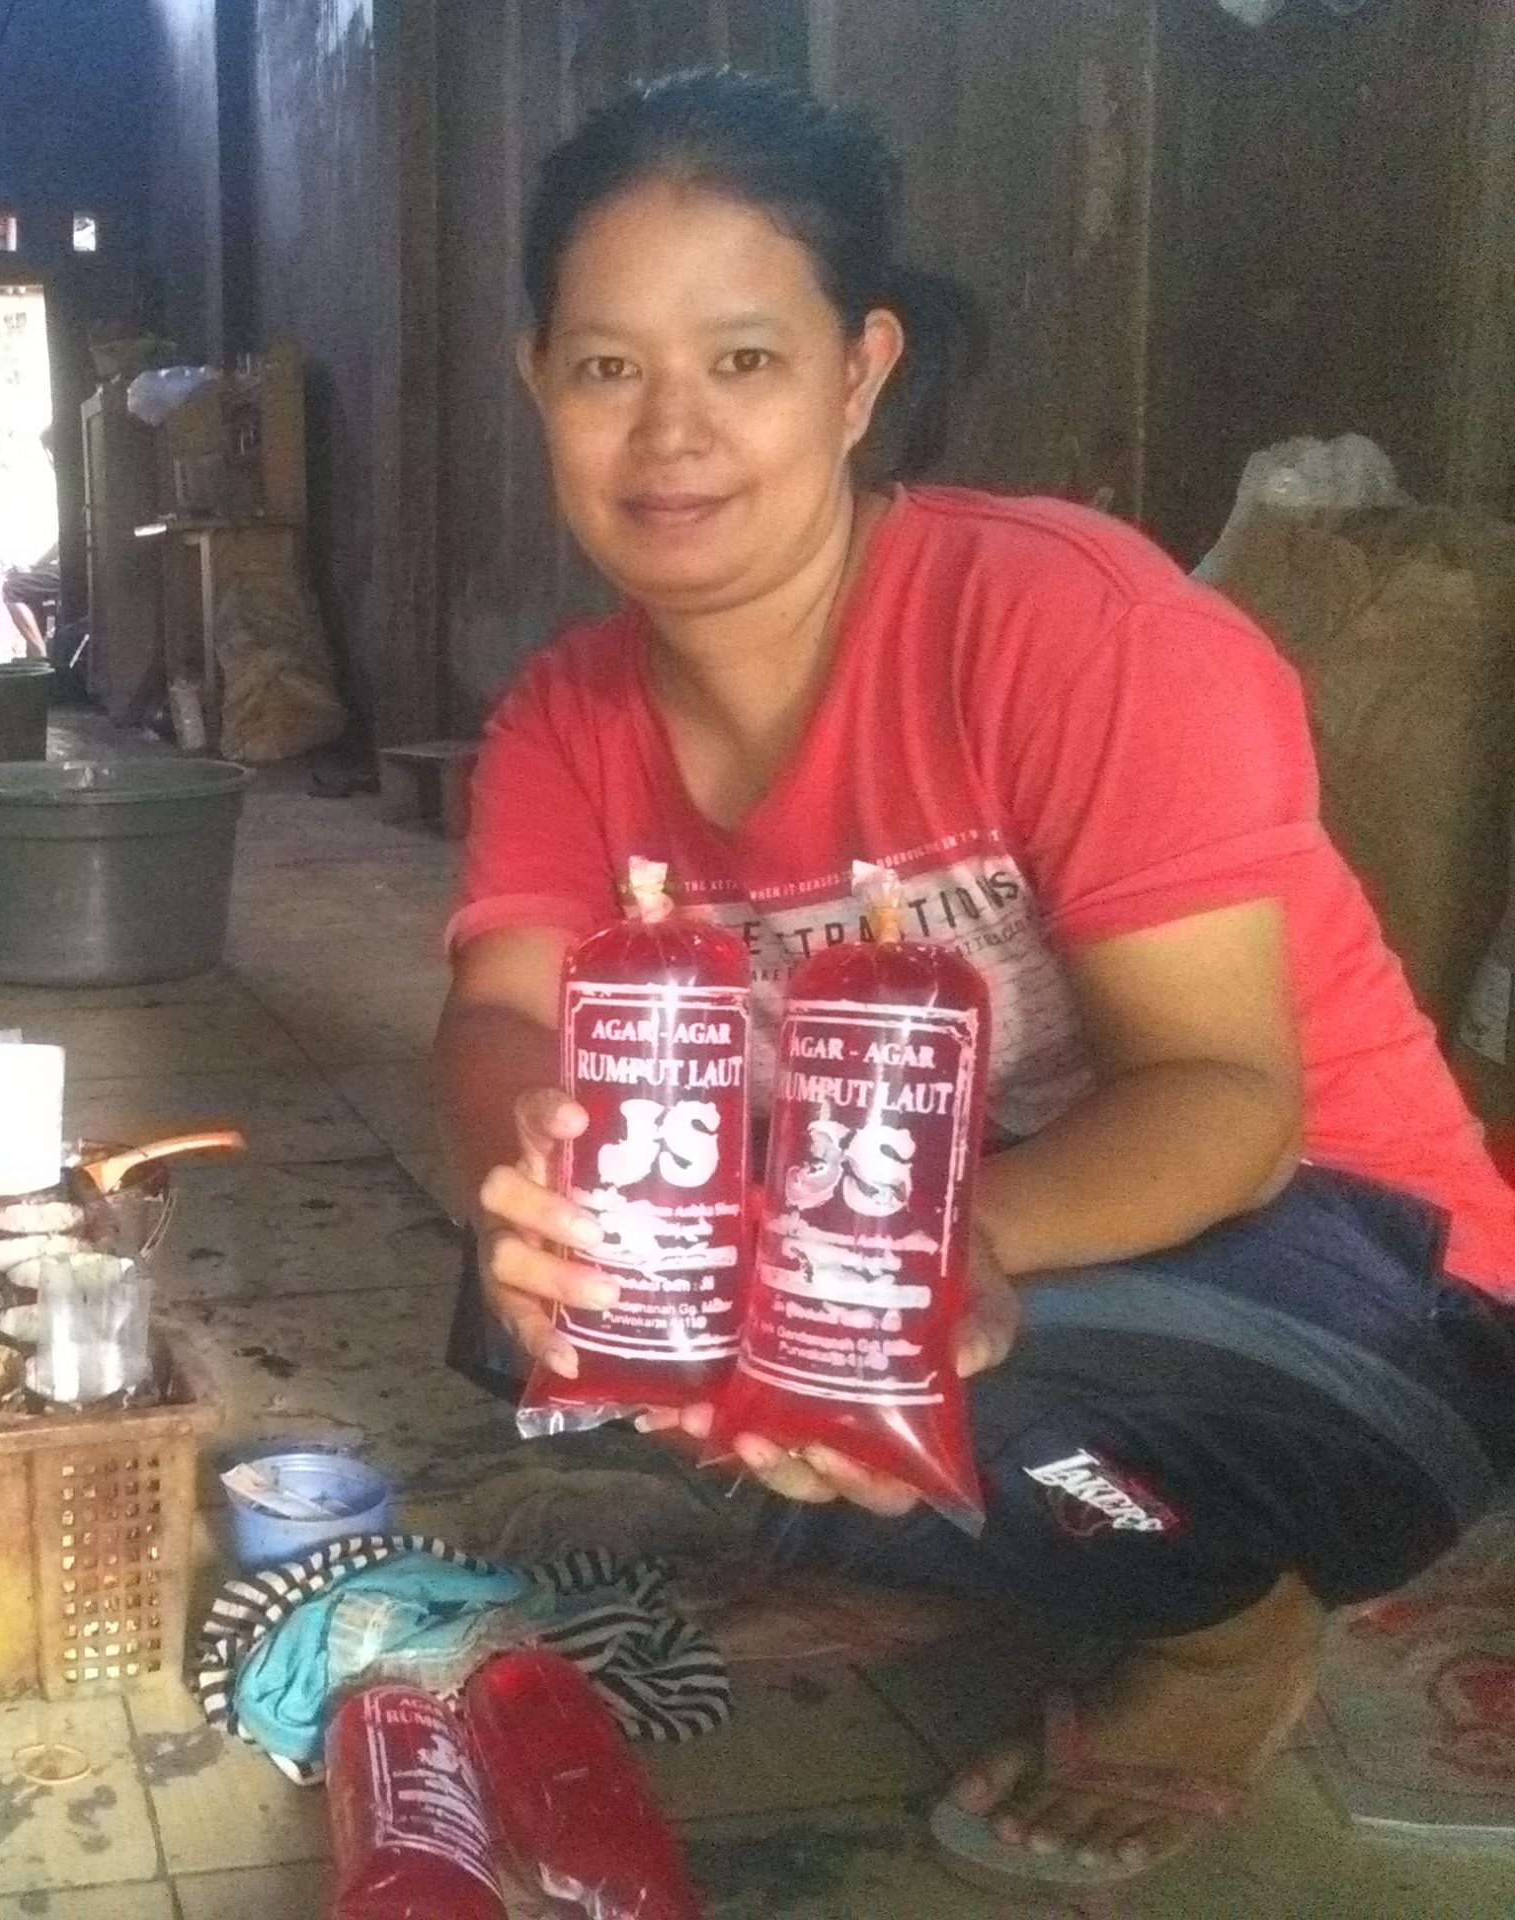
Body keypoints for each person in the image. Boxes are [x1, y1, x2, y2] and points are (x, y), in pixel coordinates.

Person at [435, 68, 1515, 1899]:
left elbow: (1227, 1103)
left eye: (746, 362)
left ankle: (1217, 1625)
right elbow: (497, 1021)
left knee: (972, 1400)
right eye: (610, 366)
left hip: (1367, 1287)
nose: (672, 434)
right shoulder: (567, 712)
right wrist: (527, 1174)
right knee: (559, 1308)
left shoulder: (1066, 629)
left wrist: (921, 1272)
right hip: (991, 1251)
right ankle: (940, 1515)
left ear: (858, 372)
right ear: (538, 374)